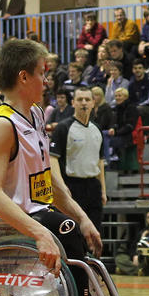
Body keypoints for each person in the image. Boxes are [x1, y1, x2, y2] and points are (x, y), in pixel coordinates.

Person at [0, 38, 134, 296]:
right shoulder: (2, 125)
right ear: (24, 77)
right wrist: (39, 232)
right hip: (11, 220)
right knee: (65, 229)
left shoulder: (37, 116)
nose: (47, 80)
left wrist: (83, 217)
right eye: (42, 73)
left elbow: (49, 180)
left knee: (74, 230)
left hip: (40, 210)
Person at [50, 87, 106, 233]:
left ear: (93, 103)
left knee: (95, 232)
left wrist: (103, 190)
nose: (84, 103)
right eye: (80, 99)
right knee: (73, 233)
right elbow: (52, 158)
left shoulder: (97, 129)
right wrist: (61, 186)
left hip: (93, 187)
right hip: (72, 186)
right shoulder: (63, 127)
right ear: (73, 103)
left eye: (87, 99)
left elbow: (100, 161)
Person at [109, 87, 139, 158]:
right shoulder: (116, 109)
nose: (117, 98)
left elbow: (130, 126)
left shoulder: (131, 108)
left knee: (107, 141)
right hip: (118, 134)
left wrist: (116, 133)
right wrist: (112, 129)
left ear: (125, 97)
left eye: (119, 96)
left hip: (128, 136)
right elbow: (113, 123)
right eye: (116, 96)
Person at [128, 58, 149, 124]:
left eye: (140, 68)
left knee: (138, 109)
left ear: (144, 69)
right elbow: (130, 98)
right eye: (135, 68)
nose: (137, 70)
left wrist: (136, 106)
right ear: (132, 70)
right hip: (136, 107)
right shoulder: (131, 83)